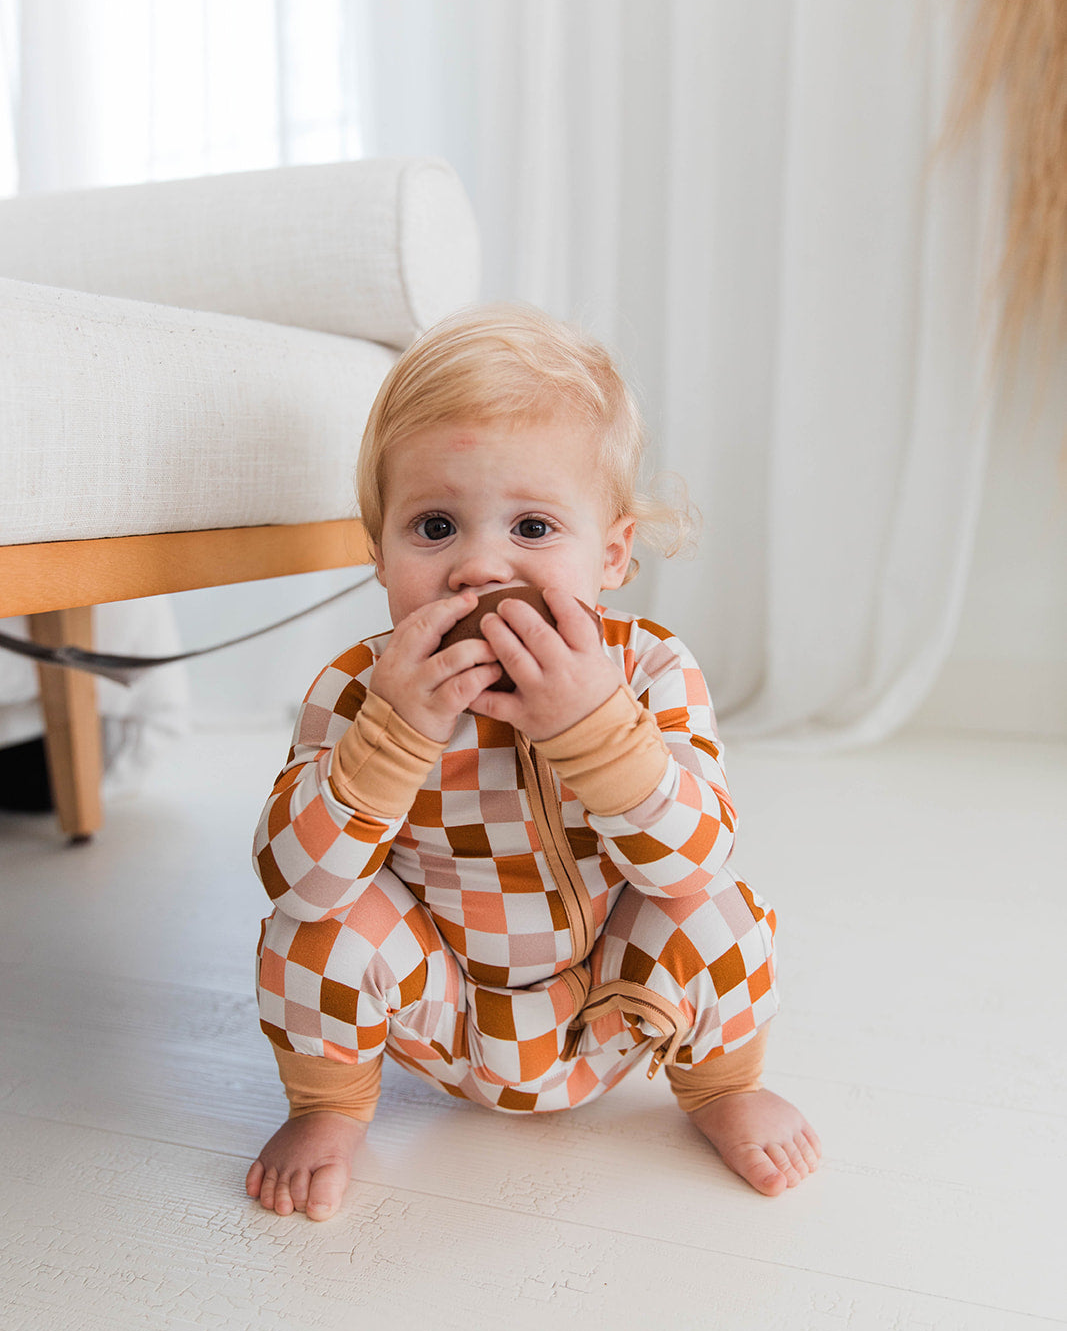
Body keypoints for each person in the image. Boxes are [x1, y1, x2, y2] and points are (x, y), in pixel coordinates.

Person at [246, 304, 821, 1221]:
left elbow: (697, 858)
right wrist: (392, 732)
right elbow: (296, 883)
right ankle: (327, 1106)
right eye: (433, 527)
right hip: (443, 1010)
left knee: (711, 905)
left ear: (613, 554)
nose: (478, 566)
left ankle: (723, 1088)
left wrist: (596, 726)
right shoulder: (361, 687)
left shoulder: (650, 668)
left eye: (533, 529)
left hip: (611, 1001)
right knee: (322, 921)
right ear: (378, 553)